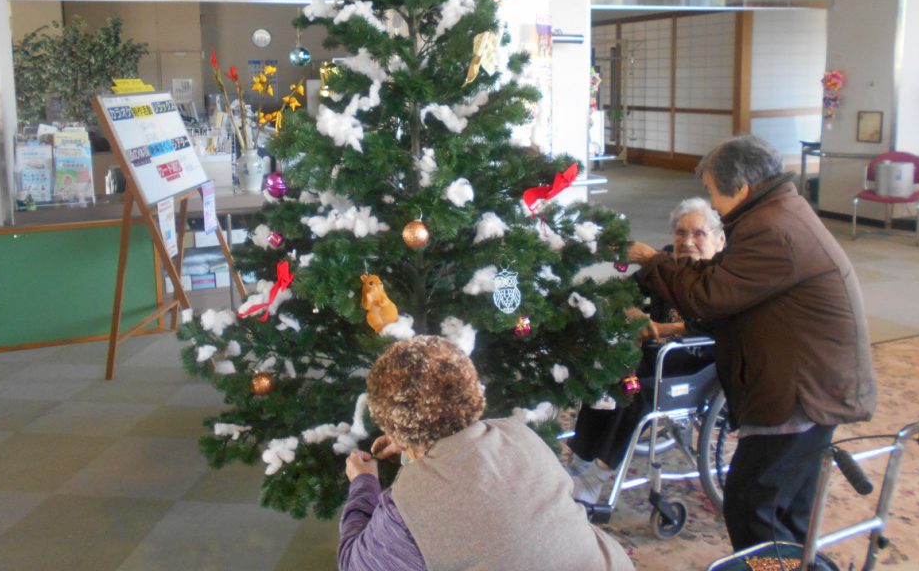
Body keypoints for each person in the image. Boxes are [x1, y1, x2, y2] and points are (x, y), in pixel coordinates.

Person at [627, 135, 876, 551]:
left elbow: (706, 296)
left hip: (799, 389)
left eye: (711, 190)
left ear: (740, 187)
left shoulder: (772, 229)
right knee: (787, 503)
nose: (712, 200)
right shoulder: (777, 212)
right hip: (810, 378)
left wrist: (655, 261)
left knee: (751, 505)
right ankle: (794, 565)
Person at [338, 336, 634, 571]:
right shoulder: (517, 433)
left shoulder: (406, 508)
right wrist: (409, 443)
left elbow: (354, 564)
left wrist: (363, 483)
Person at [567, 197, 725, 502]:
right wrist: (632, 311)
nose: (687, 242)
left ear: (719, 239)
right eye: (681, 233)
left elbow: (723, 324)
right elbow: (626, 291)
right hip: (658, 354)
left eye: (698, 234)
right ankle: (581, 459)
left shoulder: (723, 276)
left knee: (634, 389)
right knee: (609, 369)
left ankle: (596, 477)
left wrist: (667, 329)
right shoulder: (665, 263)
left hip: (699, 363)